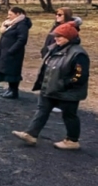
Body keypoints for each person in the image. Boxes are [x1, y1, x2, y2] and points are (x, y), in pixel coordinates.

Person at [12, 22, 89, 150]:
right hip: (49, 87)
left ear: (69, 38)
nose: (56, 38)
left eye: (60, 36)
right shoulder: (53, 48)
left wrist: (64, 84)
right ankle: (31, 134)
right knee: (42, 110)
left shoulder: (78, 54)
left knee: (69, 115)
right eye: (55, 35)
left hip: (68, 92)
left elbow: (80, 76)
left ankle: (72, 141)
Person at [0, 6, 32, 99]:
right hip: (6, 52)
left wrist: (11, 50)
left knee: (13, 72)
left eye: (10, 14)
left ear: (18, 14)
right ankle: (10, 89)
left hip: (14, 53)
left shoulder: (22, 25)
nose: (8, 16)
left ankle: (14, 91)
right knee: (7, 71)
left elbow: (22, 40)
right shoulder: (12, 24)